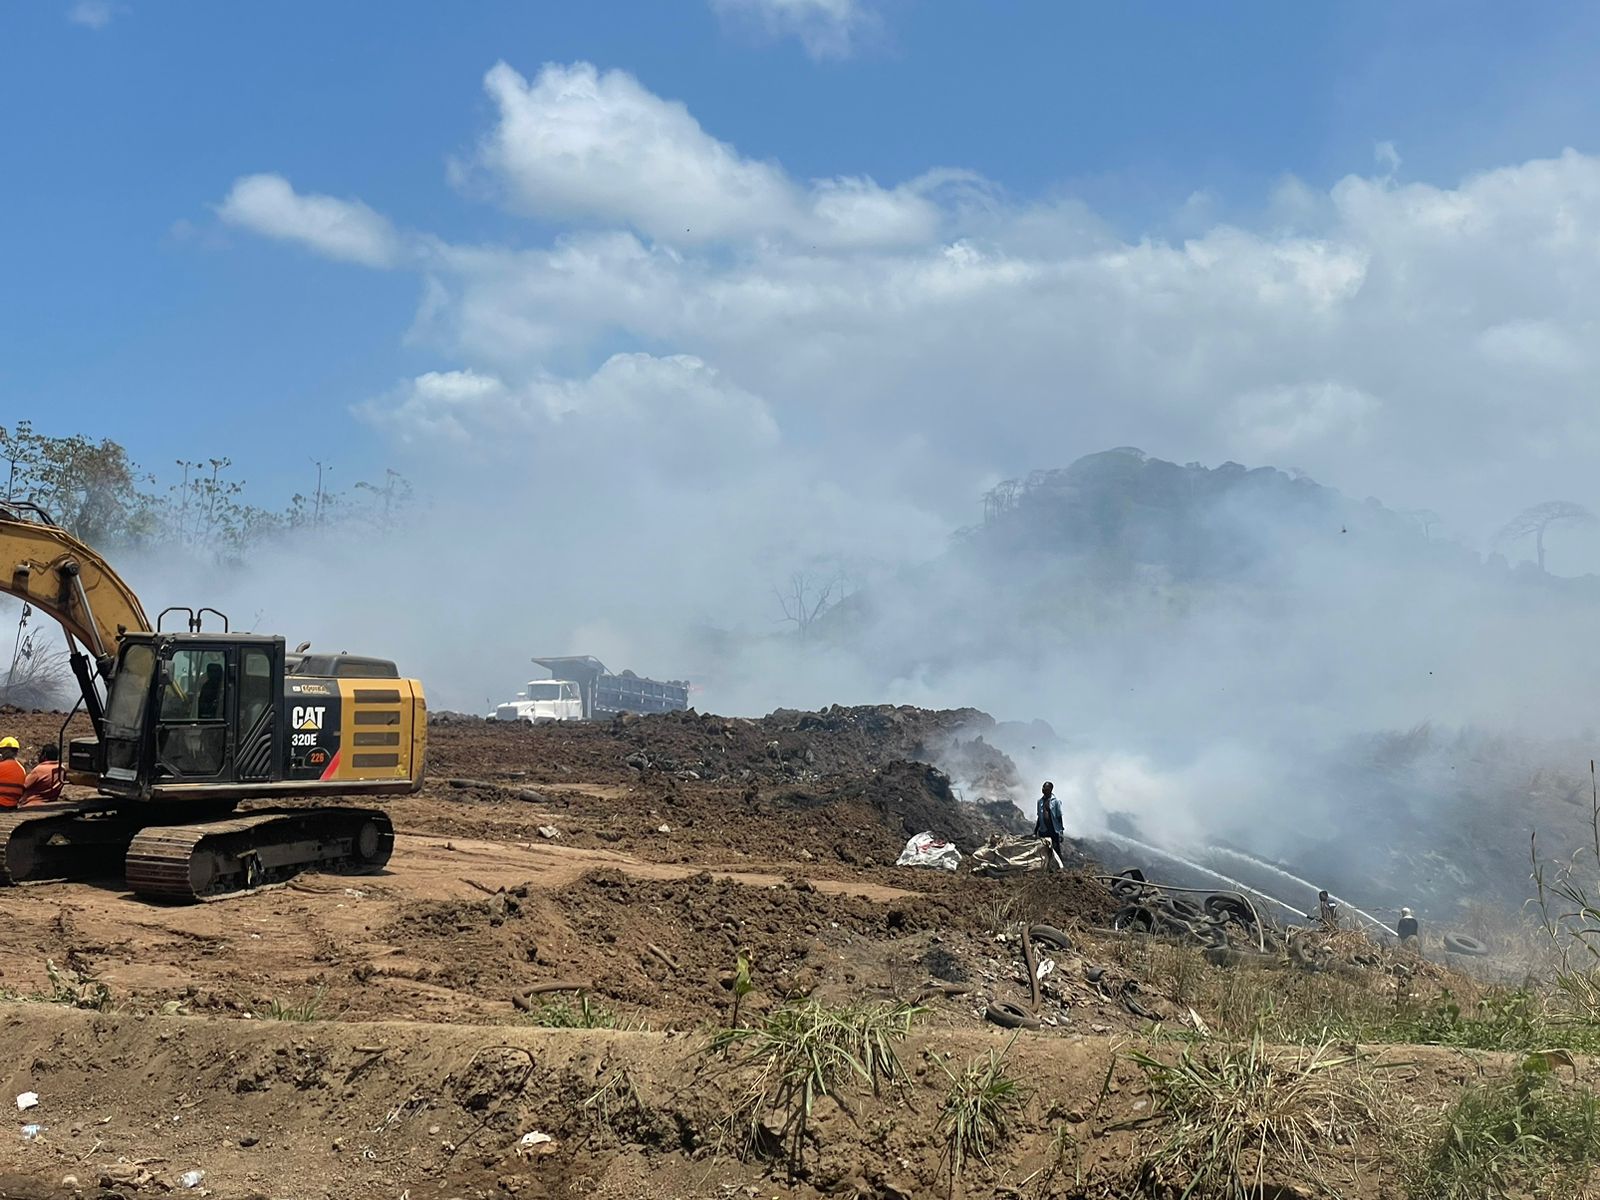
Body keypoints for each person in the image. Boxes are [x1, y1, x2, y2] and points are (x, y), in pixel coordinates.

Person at [1033, 780, 1065, 867]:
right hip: (1043, 830)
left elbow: (1059, 817)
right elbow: (1039, 817)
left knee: (1056, 850)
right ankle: (1046, 868)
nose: (1043, 789)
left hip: (1053, 830)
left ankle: (1060, 869)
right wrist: (1035, 830)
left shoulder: (1056, 802)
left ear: (1050, 789)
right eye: (1043, 787)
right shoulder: (1040, 802)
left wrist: (1061, 832)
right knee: (1044, 850)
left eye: (1045, 788)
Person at [0, 737, 24, 810]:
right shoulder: (22, 769)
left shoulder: (1, 766)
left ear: (5, 751)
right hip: (13, 806)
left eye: (1, 751)